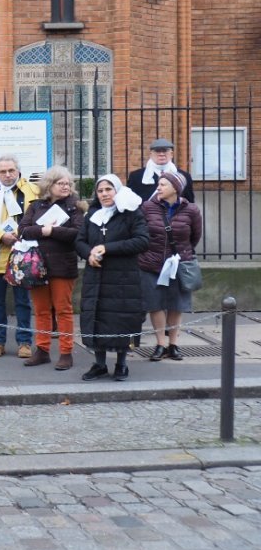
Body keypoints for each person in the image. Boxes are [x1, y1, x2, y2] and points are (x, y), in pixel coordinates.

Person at [75, 174, 148, 382]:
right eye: (100, 191)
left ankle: (121, 364)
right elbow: (79, 241)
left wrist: (108, 248)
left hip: (123, 277)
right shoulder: (92, 215)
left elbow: (142, 241)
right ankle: (99, 364)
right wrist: (89, 254)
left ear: (117, 190)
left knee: (121, 320)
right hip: (96, 276)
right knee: (97, 318)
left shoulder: (131, 214)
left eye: (108, 189)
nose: (104, 194)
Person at [16, 165, 84, 370]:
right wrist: (42, 230)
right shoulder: (36, 206)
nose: (65, 186)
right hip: (38, 265)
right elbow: (23, 230)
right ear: (49, 185)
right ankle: (42, 350)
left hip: (63, 265)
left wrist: (50, 231)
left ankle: (66, 352)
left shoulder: (76, 207)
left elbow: (76, 233)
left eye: (68, 183)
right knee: (41, 310)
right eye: (60, 183)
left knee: (63, 310)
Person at [0, 155, 39, 358]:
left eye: (11, 170)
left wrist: (21, 234)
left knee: (23, 301)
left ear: (18, 170)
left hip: (23, 253)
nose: (8, 174)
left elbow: (38, 217)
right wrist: (1, 236)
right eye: (3, 171)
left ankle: (24, 342)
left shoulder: (33, 190)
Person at [138, 170, 202, 361]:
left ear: (176, 188)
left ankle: (173, 344)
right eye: (158, 183)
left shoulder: (191, 210)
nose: (158, 187)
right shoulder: (147, 207)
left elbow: (194, 237)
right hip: (151, 263)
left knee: (176, 304)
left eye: (163, 184)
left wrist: (181, 254)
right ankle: (160, 344)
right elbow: (141, 233)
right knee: (155, 304)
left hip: (179, 264)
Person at [127, 138, 195, 204]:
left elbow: (189, 203)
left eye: (165, 150)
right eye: (157, 151)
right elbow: (131, 203)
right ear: (150, 154)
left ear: (171, 154)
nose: (161, 154)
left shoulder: (184, 176)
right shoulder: (136, 176)